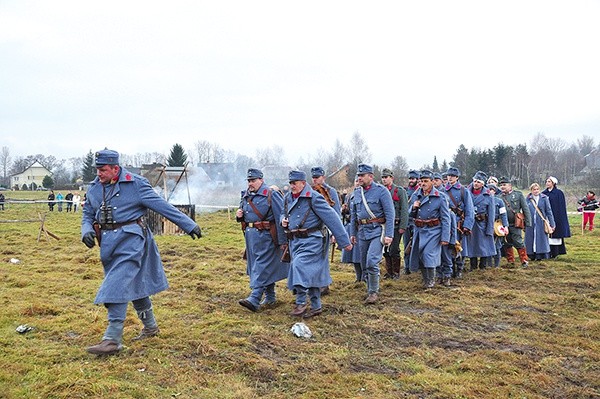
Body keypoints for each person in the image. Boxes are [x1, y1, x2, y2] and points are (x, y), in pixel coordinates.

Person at [81, 149, 202, 356]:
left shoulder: (136, 184)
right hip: (108, 244)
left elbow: (162, 206)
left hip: (133, 241)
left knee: (116, 285)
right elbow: (87, 213)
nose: (98, 174)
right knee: (135, 284)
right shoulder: (94, 188)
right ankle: (151, 327)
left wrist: (188, 224)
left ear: (115, 168)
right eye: (97, 169)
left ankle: (112, 339)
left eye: (103, 170)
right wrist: (87, 230)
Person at [281, 170, 352, 318]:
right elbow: (283, 212)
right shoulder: (288, 198)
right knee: (312, 272)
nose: (292, 186)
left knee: (298, 266)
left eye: (295, 183)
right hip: (295, 241)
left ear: (303, 183)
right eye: (291, 183)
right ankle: (316, 306)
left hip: (313, 240)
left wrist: (343, 241)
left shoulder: (314, 197)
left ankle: (300, 303)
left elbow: (332, 218)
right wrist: (283, 220)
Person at [236, 168, 289, 312]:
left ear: (261, 180)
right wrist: (239, 215)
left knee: (262, 266)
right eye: (249, 181)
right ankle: (270, 297)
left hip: (267, 236)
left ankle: (254, 298)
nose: (250, 183)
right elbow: (245, 213)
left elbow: (280, 216)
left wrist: (283, 241)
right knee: (258, 266)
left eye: (253, 180)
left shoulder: (271, 194)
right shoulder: (247, 195)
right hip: (251, 236)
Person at [349, 163, 395, 304]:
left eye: (362, 176)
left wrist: (389, 234)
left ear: (371, 176)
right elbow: (353, 216)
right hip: (362, 231)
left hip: (377, 231)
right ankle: (369, 287)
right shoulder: (356, 193)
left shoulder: (381, 191)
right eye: (359, 176)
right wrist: (352, 234)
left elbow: (390, 213)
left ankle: (373, 292)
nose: (360, 178)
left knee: (371, 261)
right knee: (363, 263)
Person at [407, 170, 451, 289]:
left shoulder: (440, 197)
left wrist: (445, 237)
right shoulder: (416, 195)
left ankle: (431, 280)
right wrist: (413, 208)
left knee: (429, 255)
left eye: (426, 181)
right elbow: (409, 215)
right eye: (421, 181)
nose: (423, 184)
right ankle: (426, 279)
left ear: (432, 182)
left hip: (434, 230)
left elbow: (446, 218)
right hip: (419, 230)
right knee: (420, 255)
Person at [311, 166, 341, 295]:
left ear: (323, 177)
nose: (315, 180)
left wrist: (335, 232)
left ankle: (323, 285)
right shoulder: (310, 190)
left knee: (322, 257)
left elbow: (336, 212)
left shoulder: (330, 191)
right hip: (312, 229)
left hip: (325, 228)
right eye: (313, 178)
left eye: (317, 177)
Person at [444, 167, 474, 278]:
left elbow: (470, 209)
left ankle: (460, 269)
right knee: (448, 246)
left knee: (460, 246)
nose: (450, 178)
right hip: (447, 223)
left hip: (459, 223)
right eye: (448, 175)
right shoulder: (443, 190)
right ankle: (449, 268)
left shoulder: (463, 190)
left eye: (452, 176)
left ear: (457, 177)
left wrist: (467, 225)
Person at [380, 168, 409, 279]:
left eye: (386, 177)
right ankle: (389, 272)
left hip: (396, 225)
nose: (384, 179)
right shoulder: (381, 191)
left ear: (392, 178)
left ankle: (396, 273)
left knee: (394, 249)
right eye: (383, 177)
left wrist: (403, 226)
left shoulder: (399, 191)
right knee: (385, 249)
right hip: (384, 225)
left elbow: (404, 209)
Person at [465, 171, 496, 271]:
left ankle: (483, 265)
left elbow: (491, 213)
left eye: (478, 182)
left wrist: (490, 228)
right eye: (474, 181)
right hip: (471, 223)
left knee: (484, 245)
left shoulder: (488, 195)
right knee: (472, 244)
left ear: (482, 183)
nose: (475, 183)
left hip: (482, 223)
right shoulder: (466, 192)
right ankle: (472, 265)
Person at [498, 177, 532, 267]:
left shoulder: (518, 195)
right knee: (506, 242)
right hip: (503, 224)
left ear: (510, 185)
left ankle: (524, 260)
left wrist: (528, 223)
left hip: (515, 223)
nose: (502, 187)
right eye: (501, 185)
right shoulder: (498, 197)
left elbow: (525, 209)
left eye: (504, 185)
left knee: (518, 241)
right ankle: (510, 261)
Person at [432, 172, 457, 286]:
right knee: (437, 258)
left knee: (447, 259)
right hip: (436, 237)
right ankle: (438, 275)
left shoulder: (450, 214)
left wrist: (452, 241)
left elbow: (453, 228)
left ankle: (447, 276)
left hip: (447, 239)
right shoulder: (435, 214)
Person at [542, 176, 571, 258]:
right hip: (547, 217)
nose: (547, 183)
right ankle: (547, 251)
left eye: (549, 182)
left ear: (553, 183)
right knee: (547, 234)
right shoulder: (544, 193)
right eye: (546, 181)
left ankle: (556, 252)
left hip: (557, 216)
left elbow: (561, 207)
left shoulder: (559, 193)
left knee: (556, 235)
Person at [525, 183, 556, 260]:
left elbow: (549, 211)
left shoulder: (544, 198)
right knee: (530, 238)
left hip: (541, 222)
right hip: (530, 222)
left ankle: (541, 254)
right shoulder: (528, 199)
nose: (536, 191)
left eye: (537, 189)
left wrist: (552, 224)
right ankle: (531, 254)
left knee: (541, 238)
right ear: (531, 190)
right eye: (534, 189)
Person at [341, 179, 363, 282]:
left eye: (359, 181)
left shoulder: (365, 195)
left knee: (361, 254)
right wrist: (344, 210)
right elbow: (346, 213)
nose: (358, 183)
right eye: (356, 181)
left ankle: (364, 276)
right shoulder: (350, 196)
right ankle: (358, 276)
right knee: (353, 255)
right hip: (352, 227)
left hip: (362, 227)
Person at [403, 170, 420, 274]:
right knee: (406, 245)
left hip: (416, 221)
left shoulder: (419, 191)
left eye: (413, 179)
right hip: (406, 221)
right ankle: (407, 267)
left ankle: (416, 267)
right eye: (409, 178)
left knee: (416, 245)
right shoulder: (405, 191)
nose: (411, 180)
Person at [487, 184, 509, 268]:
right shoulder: (484, 200)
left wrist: (505, 226)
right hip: (486, 225)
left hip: (497, 225)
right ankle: (488, 265)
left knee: (497, 246)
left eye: (492, 189)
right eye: (488, 189)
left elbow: (503, 214)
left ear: (495, 191)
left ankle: (496, 266)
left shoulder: (499, 201)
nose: (490, 191)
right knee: (487, 245)